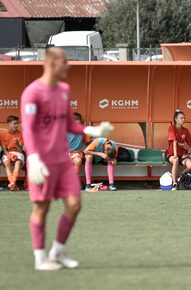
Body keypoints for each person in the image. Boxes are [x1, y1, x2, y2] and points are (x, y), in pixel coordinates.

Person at [21, 47, 113, 271]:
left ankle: (57, 251)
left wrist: (93, 131)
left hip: (63, 161)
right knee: (41, 208)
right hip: (42, 161)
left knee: (74, 204)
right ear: (52, 64)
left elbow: (69, 124)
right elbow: (29, 130)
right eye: (64, 61)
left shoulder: (64, 90)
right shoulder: (32, 93)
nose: (68, 65)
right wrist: (33, 157)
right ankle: (40, 258)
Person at [166, 110, 191, 190]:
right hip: (171, 154)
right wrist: (175, 155)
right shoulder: (172, 128)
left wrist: (188, 153)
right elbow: (174, 142)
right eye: (181, 118)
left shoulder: (186, 130)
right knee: (175, 160)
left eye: (184, 118)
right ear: (176, 119)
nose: (183, 120)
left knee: (190, 165)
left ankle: (180, 177)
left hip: (182, 154)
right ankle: (174, 183)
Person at [0, 115, 24, 191]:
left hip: (18, 152)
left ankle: (12, 183)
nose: (16, 125)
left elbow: (20, 150)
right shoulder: (2, 134)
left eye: (17, 123)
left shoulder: (20, 134)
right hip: (7, 153)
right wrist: (10, 155)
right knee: (7, 163)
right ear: (9, 124)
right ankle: (13, 184)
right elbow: (4, 150)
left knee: (18, 162)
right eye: (14, 123)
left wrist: (17, 144)